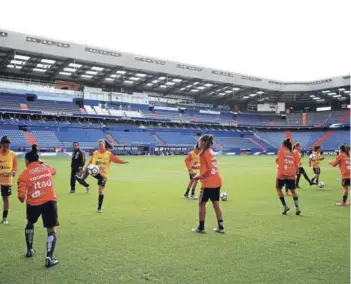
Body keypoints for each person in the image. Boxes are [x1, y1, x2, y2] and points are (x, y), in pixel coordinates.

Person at [17, 144, 59, 267]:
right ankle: (49, 258)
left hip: (33, 203)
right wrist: (41, 164)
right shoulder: (45, 168)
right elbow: (54, 171)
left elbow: (20, 197)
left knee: (30, 223)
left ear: (27, 161)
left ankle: (30, 249)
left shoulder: (24, 175)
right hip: (49, 201)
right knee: (51, 229)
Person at [76, 139, 128, 213]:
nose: (100, 145)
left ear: (104, 145)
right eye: (99, 144)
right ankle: (82, 179)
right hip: (97, 172)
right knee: (90, 167)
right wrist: (84, 170)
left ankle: (99, 207)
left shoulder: (108, 154)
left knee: (100, 191)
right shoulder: (95, 153)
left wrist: (122, 162)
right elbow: (91, 162)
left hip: (104, 175)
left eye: (102, 144)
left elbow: (116, 160)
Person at [191, 135, 224, 233]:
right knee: (216, 204)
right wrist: (197, 167)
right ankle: (221, 227)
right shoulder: (211, 152)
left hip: (208, 183)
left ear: (203, 142)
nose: (198, 143)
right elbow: (208, 166)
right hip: (217, 181)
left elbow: (208, 170)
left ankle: (201, 228)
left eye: (199, 141)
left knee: (201, 204)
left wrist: (199, 177)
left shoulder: (203, 153)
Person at [275, 138, 301, 215]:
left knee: (278, 188)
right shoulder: (294, 154)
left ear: (283, 145)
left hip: (282, 174)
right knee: (293, 191)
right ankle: (297, 208)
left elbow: (277, 160)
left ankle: (285, 206)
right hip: (291, 174)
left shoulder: (281, 151)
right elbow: (297, 165)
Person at [0, 136, 17, 224]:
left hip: (6, 181)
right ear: (1, 144)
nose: (7, 147)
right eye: (5, 145)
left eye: (8, 145)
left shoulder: (12, 154)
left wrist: (14, 171)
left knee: (5, 199)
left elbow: (14, 165)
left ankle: (5, 217)